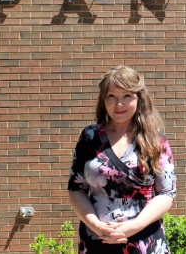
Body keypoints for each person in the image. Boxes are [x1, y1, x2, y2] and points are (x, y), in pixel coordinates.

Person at [68, 65, 177, 254]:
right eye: (112, 96)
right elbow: (76, 188)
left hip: (145, 241)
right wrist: (96, 225)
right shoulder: (89, 137)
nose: (119, 104)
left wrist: (132, 227)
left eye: (127, 95)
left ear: (139, 98)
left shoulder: (155, 138)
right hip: (97, 239)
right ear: (104, 100)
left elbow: (167, 193)